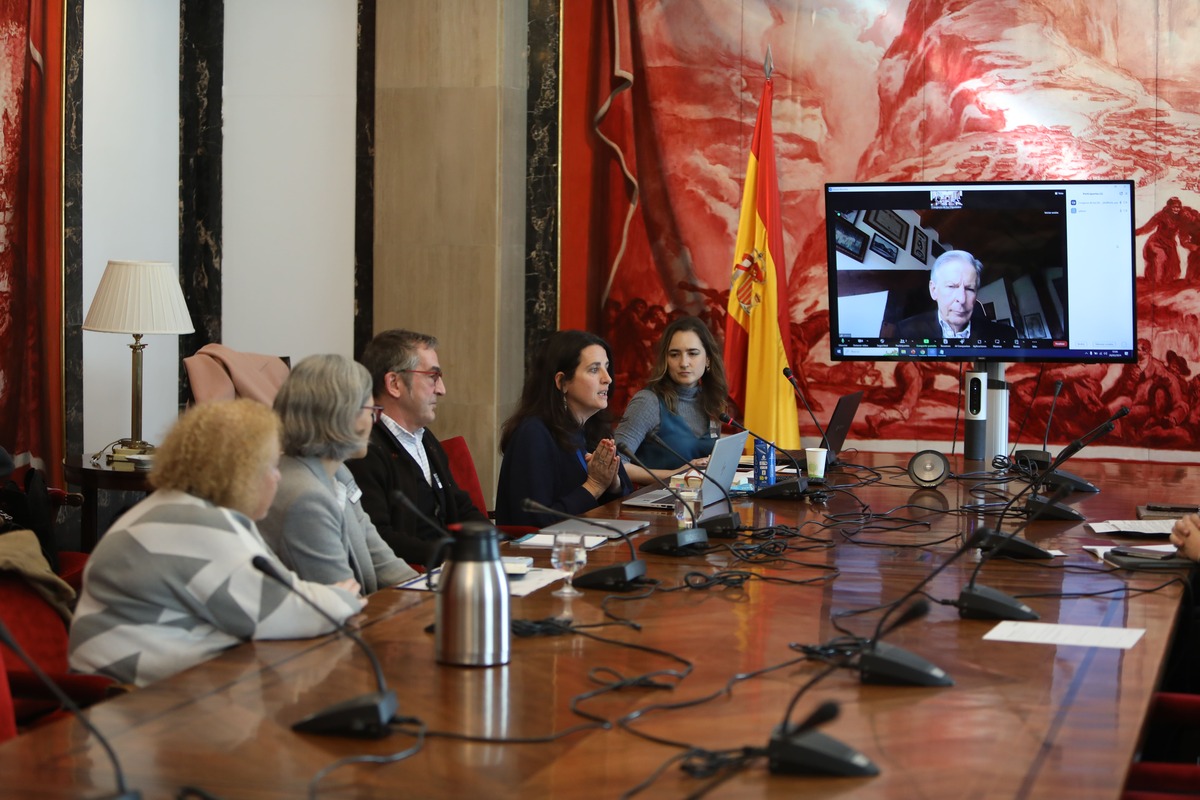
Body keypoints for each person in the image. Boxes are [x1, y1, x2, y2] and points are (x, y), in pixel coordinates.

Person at [68, 400, 364, 687]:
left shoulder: (176, 508)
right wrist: (342, 599)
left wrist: (320, 598)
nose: (278, 478)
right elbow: (288, 611)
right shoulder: (195, 526)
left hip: (158, 693)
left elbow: (275, 591)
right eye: (273, 466)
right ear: (240, 472)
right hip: (136, 708)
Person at [259, 354, 418, 593]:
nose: (373, 421)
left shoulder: (339, 472)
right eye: (371, 410)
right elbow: (341, 598)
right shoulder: (305, 497)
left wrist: (426, 591)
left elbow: (381, 559)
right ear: (341, 414)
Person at [346, 329, 488, 568]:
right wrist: (452, 554)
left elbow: (459, 505)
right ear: (394, 383)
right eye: (433, 377)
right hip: (407, 581)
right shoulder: (365, 448)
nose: (442, 389)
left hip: (448, 570)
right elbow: (378, 538)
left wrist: (492, 542)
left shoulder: (426, 439)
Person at [494, 330, 632, 528]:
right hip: (544, 555)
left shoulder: (594, 429)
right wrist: (594, 486)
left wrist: (613, 483)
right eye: (594, 370)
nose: (607, 378)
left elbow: (624, 497)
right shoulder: (533, 434)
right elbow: (534, 522)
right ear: (562, 382)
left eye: (607, 367)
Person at [614, 315, 726, 485]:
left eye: (692, 353)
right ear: (666, 360)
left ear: (708, 359)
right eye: (675, 355)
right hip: (653, 505)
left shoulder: (711, 400)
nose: (684, 363)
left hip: (701, 502)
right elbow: (616, 464)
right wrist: (675, 474)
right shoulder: (648, 402)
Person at [896, 250, 1018, 341]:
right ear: (933, 290)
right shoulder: (906, 331)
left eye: (970, 289)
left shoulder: (1005, 336)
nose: (962, 298)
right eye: (951, 286)